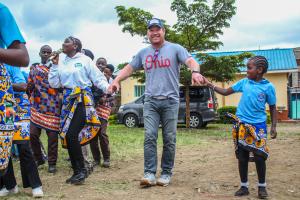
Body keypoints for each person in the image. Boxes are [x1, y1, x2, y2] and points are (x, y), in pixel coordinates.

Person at [109, 18, 204, 187]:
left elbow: (190, 61)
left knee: (169, 138)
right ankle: (149, 173)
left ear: (163, 31)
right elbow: (129, 68)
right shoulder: (143, 52)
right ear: (148, 33)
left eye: (157, 29)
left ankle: (166, 173)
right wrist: (117, 80)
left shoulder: (175, 48)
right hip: (151, 101)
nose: (154, 32)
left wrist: (195, 72)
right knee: (149, 136)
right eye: (151, 30)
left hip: (170, 101)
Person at [204, 56, 277, 199]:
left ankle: (262, 188)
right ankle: (244, 186)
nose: (246, 70)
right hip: (241, 125)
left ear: (260, 70)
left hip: (258, 126)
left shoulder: (268, 87)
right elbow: (225, 92)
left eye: (249, 67)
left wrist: (274, 126)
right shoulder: (244, 82)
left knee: (260, 156)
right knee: (242, 157)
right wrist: (210, 84)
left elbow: (273, 108)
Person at [48, 36, 109, 185]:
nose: (63, 45)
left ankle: (82, 170)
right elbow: (54, 83)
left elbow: (98, 78)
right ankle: (78, 171)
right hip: (68, 101)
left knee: (71, 133)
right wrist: (55, 65)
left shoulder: (85, 60)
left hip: (83, 100)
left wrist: (108, 88)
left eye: (66, 43)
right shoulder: (61, 61)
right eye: (62, 42)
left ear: (74, 45)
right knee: (67, 136)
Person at [0, 65, 43, 197]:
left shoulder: (9, 64)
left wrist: (4, 84)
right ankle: (10, 186)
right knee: (3, 148)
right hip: (2, 108)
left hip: (15, 106)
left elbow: (23, 86)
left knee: (24, 146)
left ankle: (35, 185)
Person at [0, 2, 29, 177]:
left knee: (22, 144)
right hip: (11, 105)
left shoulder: (1, 10)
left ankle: (35, 185)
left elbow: (23, 57)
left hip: (13, 105)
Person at [27, 45, 61, 173]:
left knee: (52, 138)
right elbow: (29, 88)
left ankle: (52, 163)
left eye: (48, 52)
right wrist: (29, 87)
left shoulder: (56, 69)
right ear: (40, 54)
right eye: (44, 52)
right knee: (32, 134)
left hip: (53, 107)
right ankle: (39, 158)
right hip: (37, 107)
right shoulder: (34, 69)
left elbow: (61, 85)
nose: (46, 54)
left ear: (52, 54)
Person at [90, 64, 115, 168]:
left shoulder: (112, 83)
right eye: (104, 72)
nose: (105, 74)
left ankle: (106, 158)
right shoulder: (95, 80)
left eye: (107, 72)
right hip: (93, 109)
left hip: (104, 110)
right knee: (93, 134)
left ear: (111, 73)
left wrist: (105, 99)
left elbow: (113, 98)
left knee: (102, 134)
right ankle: (96, 159)